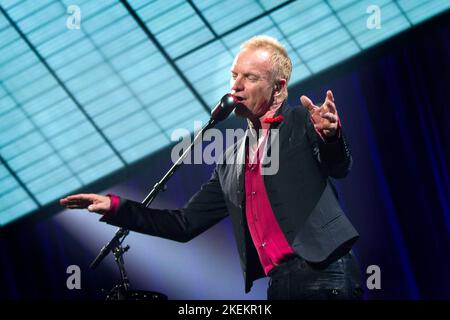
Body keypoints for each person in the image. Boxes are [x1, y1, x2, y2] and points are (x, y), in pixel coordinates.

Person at [60, 35, 363, 300]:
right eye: (234, 76)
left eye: (251, 77)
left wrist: (332, 136)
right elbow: (184, 224)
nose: (237, 86)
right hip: (278, 283)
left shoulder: (300, 121)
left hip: (325, 273)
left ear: (278, 87)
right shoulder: (232, 159)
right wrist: (114, 207)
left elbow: (338, 166)